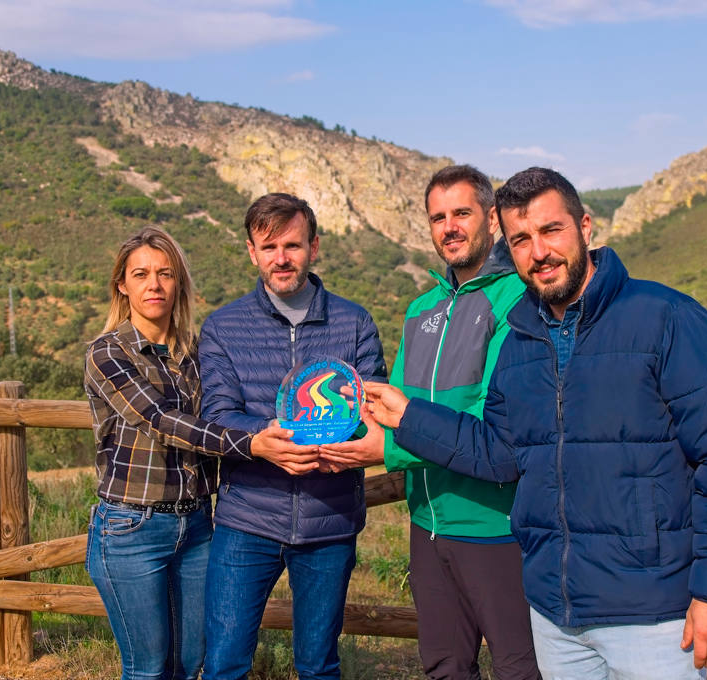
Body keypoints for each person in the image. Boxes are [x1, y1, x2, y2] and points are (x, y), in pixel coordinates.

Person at [360, 167, 707, 679]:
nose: (539, 252)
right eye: (521, 240)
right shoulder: (521, 341)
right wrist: (410, 416)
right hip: (556, 617)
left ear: (585, 226)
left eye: (551, 230)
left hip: (652, 614)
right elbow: (499, 452)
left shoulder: (665, 317)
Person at [320, 165, 540, 679]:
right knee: (443, 667)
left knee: (520, 668)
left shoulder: (518, 300)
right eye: (438, 218)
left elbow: (492, 424)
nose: (449, 227)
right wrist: (328, 429)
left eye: (461, 213)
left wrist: (386, 451)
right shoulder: (421, 309)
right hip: (427, 527)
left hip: (496, 527)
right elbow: (394, 413)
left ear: (491, 218)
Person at [84, 225, 304, 680]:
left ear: (179, 282)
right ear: (122, 285)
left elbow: (229, 407)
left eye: (165, 274)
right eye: (141, 274)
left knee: (188, 664)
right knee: (147, 669)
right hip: (133, 525)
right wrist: (253, 443)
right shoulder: (107, 353)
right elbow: (161, 421)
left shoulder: (196, 351)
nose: (154, 285)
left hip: (198, 525)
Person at [198, 193, 387, 680]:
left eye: (293, 245)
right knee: (223, 665)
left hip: (330, 523)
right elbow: (217, 415)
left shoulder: (355, 323)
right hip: (247, 520)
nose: (281, 258)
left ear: (314, 247)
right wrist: (264, 440)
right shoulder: (222, 327)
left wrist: (335, 449)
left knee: (319, 666)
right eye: (269, 247)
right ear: (252, 252)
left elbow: (373, 412)